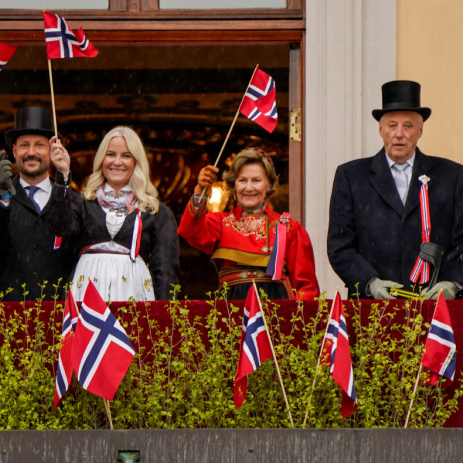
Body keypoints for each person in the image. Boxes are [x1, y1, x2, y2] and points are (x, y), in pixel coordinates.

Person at [328, 80, 463, 299]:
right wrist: (369, 282)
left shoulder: (452, 175)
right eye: (392, 125)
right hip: (372, 309)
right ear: (380, 130)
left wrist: (454, 282)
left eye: (408, 126)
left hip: (436, 308)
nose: (399, 133)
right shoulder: (351, 176)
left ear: (420, 130)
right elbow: (340, 246)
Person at [48, 126, 180, 301]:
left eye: (126, 155)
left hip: (134, 292)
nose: (117, 162)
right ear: (101, 159)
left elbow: (165, 271)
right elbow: (59, 225)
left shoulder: (155, 211)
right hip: (86, 293)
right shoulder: (82, 203)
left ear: (136, 161)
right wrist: (63, 173)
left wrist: (166, 317)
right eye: (110, 154)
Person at [178, 148, 319, 300]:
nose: (249, 187)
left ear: (269, 184)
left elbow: (307, 290)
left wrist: (293, 322)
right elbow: (190, 232)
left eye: (256, 180)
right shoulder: (220, 223)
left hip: (277, 319)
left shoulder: (291, 229)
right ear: (234, 184)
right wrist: (200, 191)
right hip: (230, 316)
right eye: (242, 180)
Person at [0, 106, 81, 301]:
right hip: (9, 312)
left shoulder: (74, 201)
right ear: (14, 151)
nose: (31, 152)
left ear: (53, 150)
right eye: (24, 145)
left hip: (59, 312)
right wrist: (3, 194)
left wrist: (64, 175)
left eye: (39, 145)